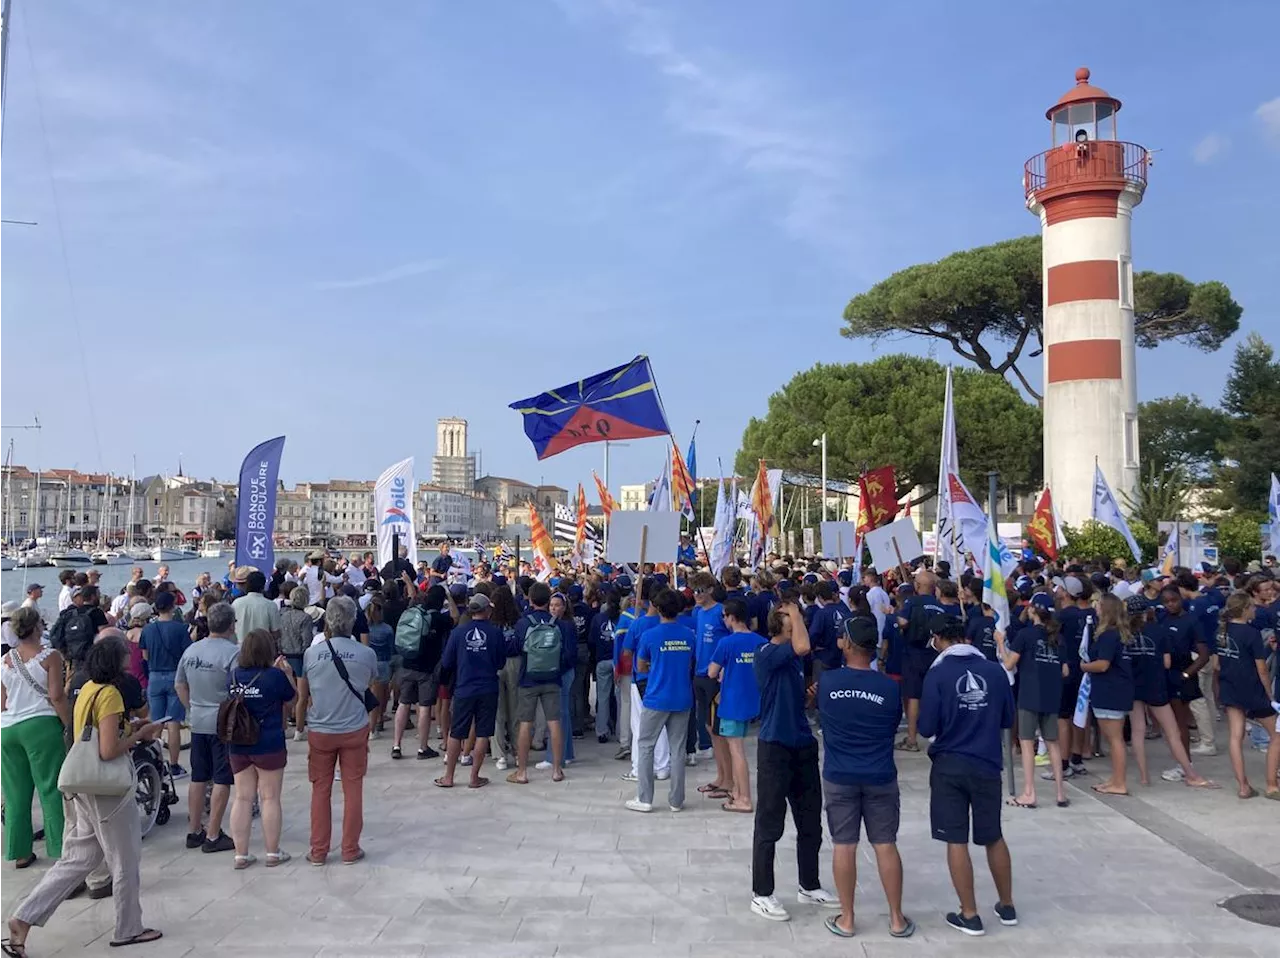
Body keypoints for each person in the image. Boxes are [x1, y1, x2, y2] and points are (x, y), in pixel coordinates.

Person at [5, 637, 165, 951]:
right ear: (116, 664)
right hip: (108, 791)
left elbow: (91, 733)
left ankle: (24, 916)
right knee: (124, 859)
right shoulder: (111, 694)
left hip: (84, 786)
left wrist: (129, 727)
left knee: (79, 860)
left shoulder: (88, 687)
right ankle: (128, 927)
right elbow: (107, 751)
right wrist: (141, 735)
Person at [918, 614, 1017, 937]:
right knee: (993, 835)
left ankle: (969, 913)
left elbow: (926, 727)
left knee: (955, 838)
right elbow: (1007, 719)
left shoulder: (937, 674)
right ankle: (1006, 904)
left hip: (949, 765)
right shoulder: (995, 670)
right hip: (987, 761)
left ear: (940, 640)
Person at [817, 617, 913, 939]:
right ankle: (896, 918)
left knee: (844, 845)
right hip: (879, 773)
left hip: (840, 773)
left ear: (846, 642)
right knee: (885, 844)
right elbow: (890, 727)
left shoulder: (828, 682)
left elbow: (822, 718)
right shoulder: (889, 687)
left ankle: (847, 918)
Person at [749, 601, 839, 922]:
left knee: (810, 821)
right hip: (775, 746)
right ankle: (761, 893)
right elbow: (803, 645)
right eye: (794, 621)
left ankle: (809, 884)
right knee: (770, 823)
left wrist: (808, 697)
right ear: (781, 627)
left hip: (802, 743)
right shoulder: (767, 653)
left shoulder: (793, 659)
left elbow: (790, 696)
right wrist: (798, 615)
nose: (799, 625)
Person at [298, 597, 376, 865]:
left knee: (321, 790)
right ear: (353, 620)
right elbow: (369, 682)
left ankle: (319, 850)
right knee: (353, 789)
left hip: (321, 728)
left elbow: (305, 690)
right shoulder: (366, 653)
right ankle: (350, 849)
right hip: (353, 726)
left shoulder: (312, 653)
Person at [0, 607, 70, 868]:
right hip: (39, 725)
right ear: (38, 627)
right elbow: (56, 696)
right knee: (50, 789)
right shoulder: (50, 656)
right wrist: (69, 725)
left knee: (15, 793)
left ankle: (20, 851)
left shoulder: (4, 660)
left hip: (7, 729)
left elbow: (1, 703)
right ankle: (60, 850)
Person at [227, 629, 297, 869]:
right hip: (268, 742)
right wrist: (288, 674)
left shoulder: (234, 676)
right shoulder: (274, 676)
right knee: (270, 797)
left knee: (242, 797)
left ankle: (241, 854)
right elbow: (292, 700)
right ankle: (272, 852)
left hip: (238, 742)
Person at [174, 601, 240, 855]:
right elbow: (237, 688)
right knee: (222, 777)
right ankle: (213, 833)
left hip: (198, 718)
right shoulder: (232, 653)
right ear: (231, 625)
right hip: (223, 721)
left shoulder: (191, 651)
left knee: (198, 775)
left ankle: (194, 829)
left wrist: (191, 707)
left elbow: (179, 684)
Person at [1128, 596, 1213, 789]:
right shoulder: (1159, 631)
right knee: (1172, 731)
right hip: (1156, 684)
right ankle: (1191, 774)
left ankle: (1143, 776)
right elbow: (1167, 662)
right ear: (1146, 611)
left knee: (1137, 731)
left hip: (1134, 685)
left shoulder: (1125, 633)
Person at [626, 588, 694, 813]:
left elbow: (640, 666)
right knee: (678, 749)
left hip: (656, 697)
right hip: (682, 696)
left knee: (645, 745)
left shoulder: (649, 635)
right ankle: (676, 800)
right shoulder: (689, 634)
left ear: (658, 608)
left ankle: (645, 798)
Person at [998, 598, 1068, 809]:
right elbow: (1065, 671)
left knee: (1027, 743)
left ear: (1031, 611)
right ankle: (1060, 793)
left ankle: (1029, 792)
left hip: (1030, 694)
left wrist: (1001, 643)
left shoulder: (1025, 635)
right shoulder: (1057, 637)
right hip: (1052, 695)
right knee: (1052, 742)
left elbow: (1009, 664)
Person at [506, 581, 576, 785]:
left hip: (528, 678)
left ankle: (522, 772)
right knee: (554, 723)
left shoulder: (524, 623)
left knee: (526, 724)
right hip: (553, 678)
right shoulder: (560, 624)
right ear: (548, 601)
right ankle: (556, 769)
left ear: (530, 598)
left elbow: (515, 648)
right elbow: (568, 654)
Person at [435, 595, 506, 789]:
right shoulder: (495, 633)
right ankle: (474, 777)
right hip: (488, 687)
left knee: (456, 732)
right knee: (483, 732)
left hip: (464, 687)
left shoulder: (458, 632)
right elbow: (501, 662)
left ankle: (449, 776)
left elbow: (447, 662)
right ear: (487, 611)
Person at [1214, 591, 1280, 799]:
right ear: (1244, 610)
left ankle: (1243, 785)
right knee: (1276, 734)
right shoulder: (1251, 633)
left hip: (1229, 686)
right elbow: (1261, 669)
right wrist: (1270, 694)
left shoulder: (1221, 631)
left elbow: (1216, 664)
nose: (1254, 609)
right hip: (1251, 688)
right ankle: (1272, 782)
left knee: (1236, 736)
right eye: (1251, 607)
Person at [707, 597, 761, 812]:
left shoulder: (726, 643)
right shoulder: (759, 641)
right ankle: (738, 792)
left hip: (732, 702)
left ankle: (744, 798)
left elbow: (711, 671)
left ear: (731, 617)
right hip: (753, 700)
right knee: (739, 749)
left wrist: (721, 671)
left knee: (736, 751)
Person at [390, 584, 454, 761]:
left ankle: (396, 744)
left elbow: (412, 596)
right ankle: (423, 747)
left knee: (404, 703)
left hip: (407, 663)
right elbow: (455, 618)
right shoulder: (438, 618)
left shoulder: (414, 611)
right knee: (425, 707)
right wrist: (449, 598)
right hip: (427, 668)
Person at [1081, 593, 1135, 796]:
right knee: (1113, 738)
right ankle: (1115, 778)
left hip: (1110, 689)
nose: (1096, 608)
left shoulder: (1108, 635)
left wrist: (1084, 666)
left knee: (1114, 739)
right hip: (1115, 688)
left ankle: (1119, 782)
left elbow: (1103, 664)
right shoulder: (1119, 633)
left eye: (1099, 605)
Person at [139, 590, 191, 779]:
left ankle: (155, 764)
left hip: (154, 676)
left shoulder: (147, 629)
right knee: (174, 722)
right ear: (173, 606)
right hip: (175, 675)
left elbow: (144, 656)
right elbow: (187, 655)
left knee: (156, 723)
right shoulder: (180, 628)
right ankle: (175, 765)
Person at [692, 573, 732, 792]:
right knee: (709, 727)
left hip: (715, 676)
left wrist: (725, 667)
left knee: (719, 730)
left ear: (710, 590)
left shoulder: (720, 612)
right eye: (694, 591)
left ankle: (728, 780)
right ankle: (721, 776)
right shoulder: (698, 613)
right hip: (700, 674)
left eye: (701, 590)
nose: (697, 595)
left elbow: (732, 638)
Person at [897, 571, 945, 751]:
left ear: (917, 586)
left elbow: (902, 622)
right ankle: (938, 734)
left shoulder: (912, 602)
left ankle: (911, 739)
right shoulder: (939, 605)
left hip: (913, 653)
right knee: (935, 694)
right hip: (934, 653)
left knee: (913, 696)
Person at [489, 586, 523, 770]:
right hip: (515, 662)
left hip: (495, 664)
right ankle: (518, 751)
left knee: (497, 712)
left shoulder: (491, 622)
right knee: (516, 710)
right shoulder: (518, 620)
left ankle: (500, 754)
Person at [364, 597, 394, 735]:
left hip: (367, 663)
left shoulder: (365, 629)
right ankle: (377, 722)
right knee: (381, 697)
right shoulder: (387, 629)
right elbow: (391, 648)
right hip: (383, 663)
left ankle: (373, 722)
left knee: (370, 695)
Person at [231, 568, 281, 643]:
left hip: (241, 647)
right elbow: (276, 632)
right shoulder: (271, 605)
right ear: (264, 585)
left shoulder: (236, 603)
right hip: (263, 647)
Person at [278, 585, 314, 685]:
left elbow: (278, 636)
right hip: (299, 659)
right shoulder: (305, 618)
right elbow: (307, 642)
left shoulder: (282, 614)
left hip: (283, 656)